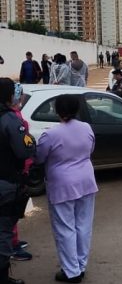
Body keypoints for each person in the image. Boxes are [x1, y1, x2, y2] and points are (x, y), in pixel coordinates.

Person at [36, 94, 97, 283]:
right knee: (84, 225)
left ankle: (71, 271)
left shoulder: (51, 134)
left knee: (65, 228)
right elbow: (91, 149)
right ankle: (80, 265)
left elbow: (39, 157)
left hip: (62, 185)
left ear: (57, 111)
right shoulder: (86, 127)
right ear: (77, 109)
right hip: (86, 181)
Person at [0, 77, 36, 284]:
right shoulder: (10, 120)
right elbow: (25, 150)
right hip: (5, 182)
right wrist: (33, 143)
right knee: (4, 230)